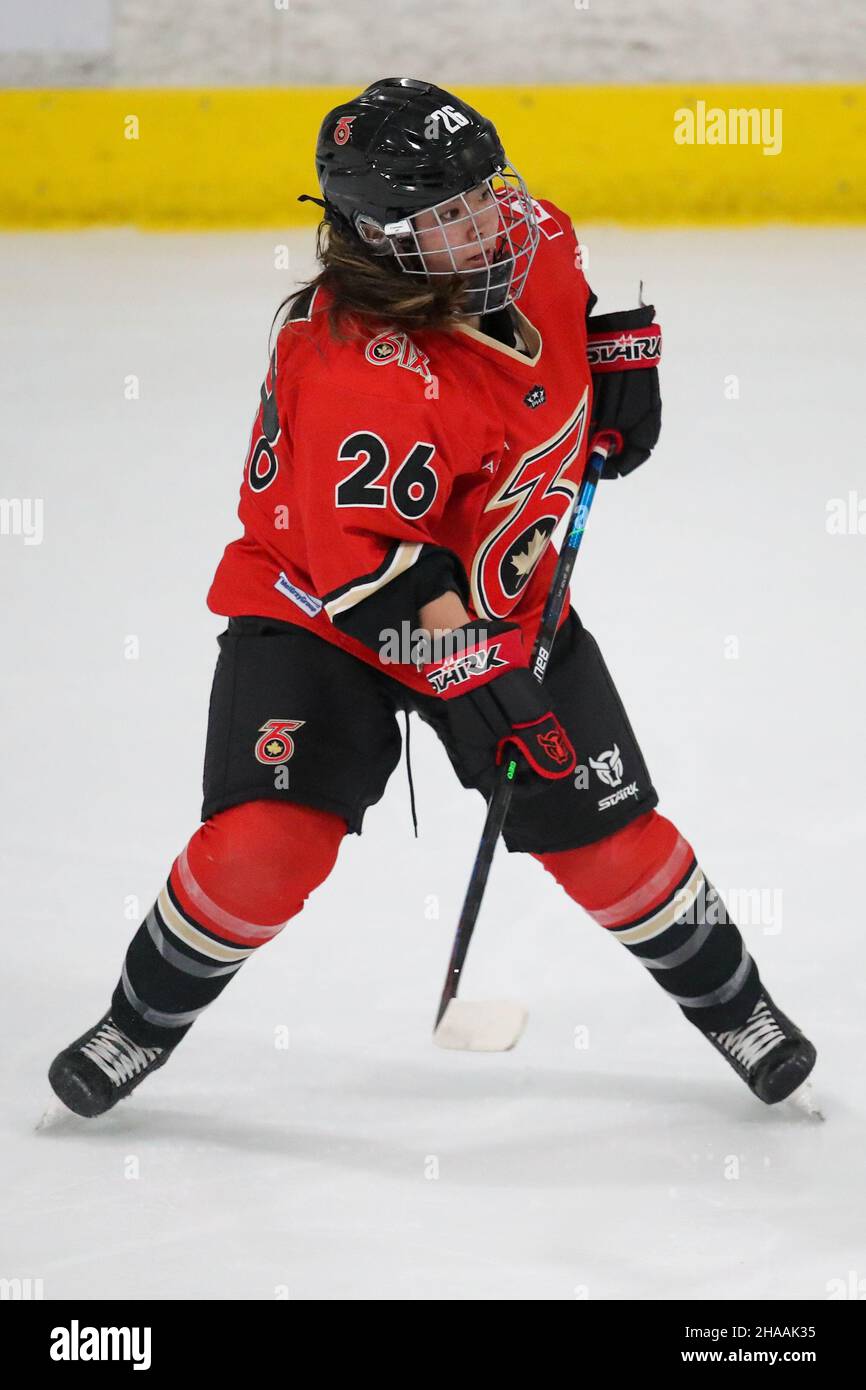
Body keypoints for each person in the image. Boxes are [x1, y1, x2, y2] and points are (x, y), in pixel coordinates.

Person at [48, 77, 815, 1118]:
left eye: (486, 191)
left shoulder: (533, 233)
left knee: (607, 836)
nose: (488, 221)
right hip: (324, 609)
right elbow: (372, 574)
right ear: (374, 237)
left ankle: (736, 1006)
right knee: (266, 848)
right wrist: (483, 682)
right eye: (448, 215)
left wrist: (611, 363)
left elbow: (567, 316)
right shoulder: (351, 368)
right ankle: (136, 1023)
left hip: (498, 590)